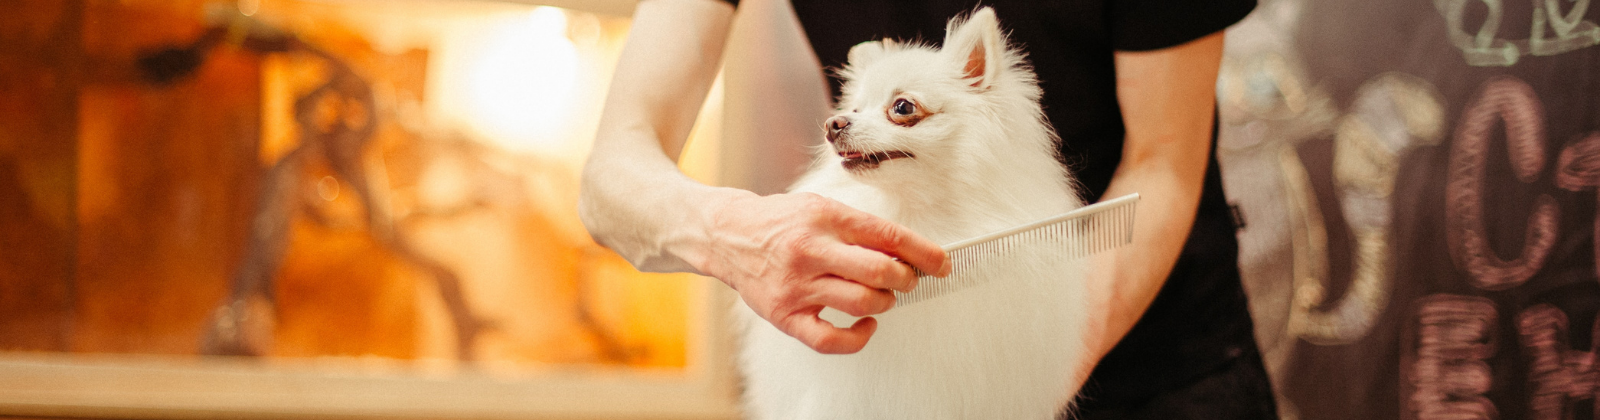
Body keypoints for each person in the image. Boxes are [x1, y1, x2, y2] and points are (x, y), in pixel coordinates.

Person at [578, 0, 1277, 418]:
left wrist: (1026, 374)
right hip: (879, 369)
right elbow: (612, 177)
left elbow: (1165, 160)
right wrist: (735, 235)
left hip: (1159, 364)